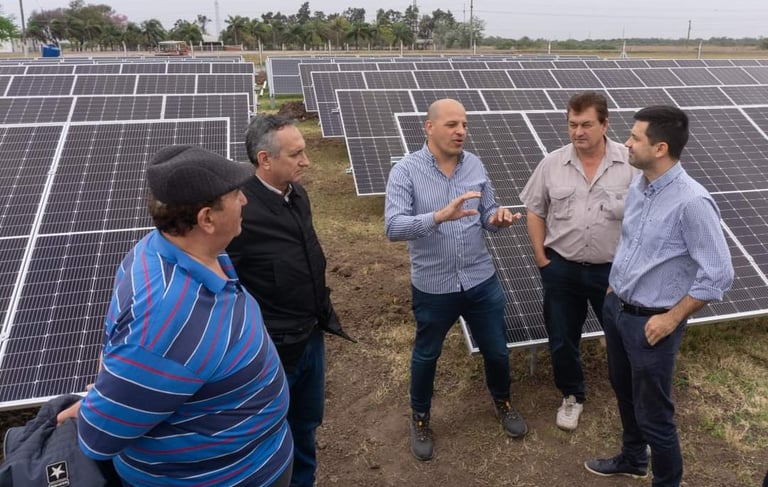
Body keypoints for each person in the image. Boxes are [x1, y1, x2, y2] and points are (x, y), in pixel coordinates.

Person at [56, 145, 293, 487]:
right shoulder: (170, 316)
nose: (245, 200)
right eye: (236, 194)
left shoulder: (173, 252)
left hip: (256, 458)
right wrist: (107, 404)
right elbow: (98, 437)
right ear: (207, 219)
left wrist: (124, 386)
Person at [584, 106, 733, 486]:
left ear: (661, 148)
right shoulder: (641, 185)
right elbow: (634, 242)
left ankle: (667, 482)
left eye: (635, 138)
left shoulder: (691, 202)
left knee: (655, 415)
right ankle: (634, 459)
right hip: (618, 310)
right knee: (624, 392)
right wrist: (615, 287)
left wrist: (671, 318)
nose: (626, 143)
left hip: (653, 324)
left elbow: (718, 273)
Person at [384, 98, 527, 462]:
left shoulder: (475, 164)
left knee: (496, 350)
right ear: (428, 127)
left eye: (463, 124)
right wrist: (437, 216)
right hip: (434, 285)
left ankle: (503, 401)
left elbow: (487, 212)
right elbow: (393, 227)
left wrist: (497, 219)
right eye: (451, 124)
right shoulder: (405, 171)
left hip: (481, 279)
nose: (460, 130)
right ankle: (420, 417)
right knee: (426, 355)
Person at [227, 115, 354, 487]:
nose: (307, 161)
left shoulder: (298, 195)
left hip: (311, 333)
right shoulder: (240, 211)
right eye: (296, 154)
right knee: (269, 430)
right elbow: (228, 286)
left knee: (306, 422)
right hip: (272, 349)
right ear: (265, 159)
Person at [519, 92, 636, 431]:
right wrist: (542, 258)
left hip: (612, 273)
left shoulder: (630, 164)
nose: (578, 132)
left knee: (621, 338)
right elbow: (535, 209)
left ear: (605, 124)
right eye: (572, 124)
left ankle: (629, 397)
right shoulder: (553, 163)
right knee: (562, 337)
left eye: (586, 124)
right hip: (562, 269)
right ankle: (572, 395)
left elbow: (647, 217)